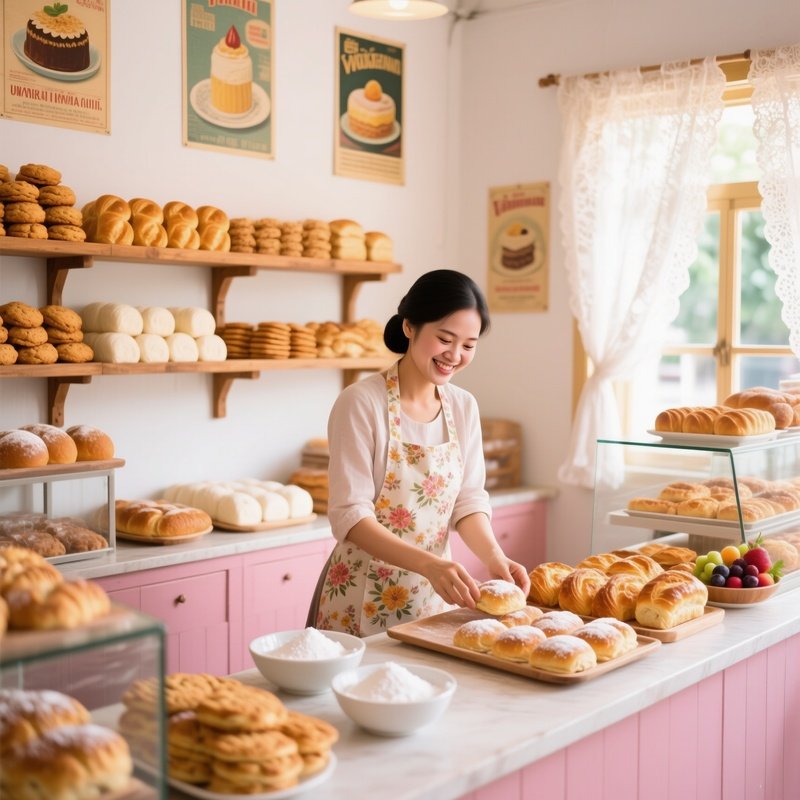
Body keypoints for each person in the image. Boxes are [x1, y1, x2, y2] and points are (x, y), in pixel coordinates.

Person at [307, 269, 530, 636]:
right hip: (360, 602)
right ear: (410, 327)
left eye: (469, 345)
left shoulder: (463, 406)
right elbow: (350, 515)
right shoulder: (361, 403)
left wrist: (494, 557)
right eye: (445, 338)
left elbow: (467, 500)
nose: (455, 355)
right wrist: (429, 564)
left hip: (434, 602)